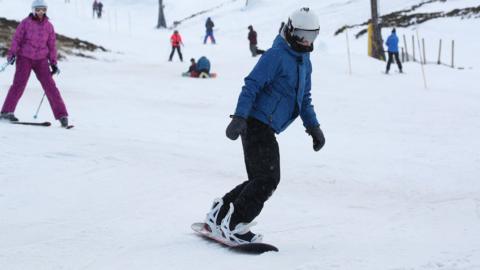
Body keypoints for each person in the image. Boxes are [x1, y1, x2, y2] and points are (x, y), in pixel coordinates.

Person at [202, 7, 325, 244]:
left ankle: (219, 215)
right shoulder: (276, 55)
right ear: (290, 30)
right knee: (268, 179)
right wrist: (239, 117)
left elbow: (304, 99)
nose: (306, 41)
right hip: (255, 123)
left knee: (259, 178)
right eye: (301, 35)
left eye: (312, 37)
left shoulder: (304, 62)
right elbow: (251, 85)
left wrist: (314, 128)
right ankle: (235, 224)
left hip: (266, 126)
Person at [0, 0, 70, 127]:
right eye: (38, 10)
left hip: (41, 60)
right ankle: (6, 111)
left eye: (43, 9)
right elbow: (17, 40)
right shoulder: (25, 23)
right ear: (33, 10)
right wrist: (12, 54)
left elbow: (52, 45)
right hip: (24, 58)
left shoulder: (49, 26)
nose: (40, 12)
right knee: (19, 84)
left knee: (50, 87)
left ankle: (62, 115)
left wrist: (53, 62)